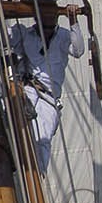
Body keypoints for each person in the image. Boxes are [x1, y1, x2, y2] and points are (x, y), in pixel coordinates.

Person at [9, 9, 85, 171]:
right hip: (27, 89)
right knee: (12, 129)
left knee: (42, 139)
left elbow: (78, 51)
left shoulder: (64, 36)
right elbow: (3, 38)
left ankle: (38, 174)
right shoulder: (25, 34)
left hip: (49, 98)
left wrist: (74, 23)